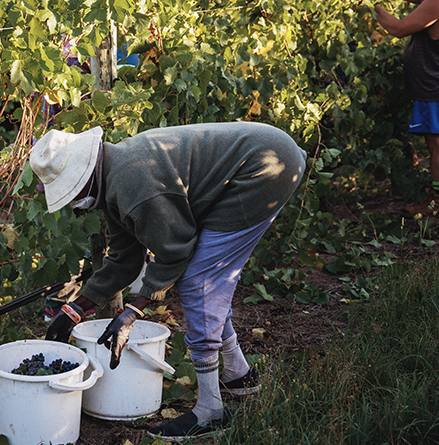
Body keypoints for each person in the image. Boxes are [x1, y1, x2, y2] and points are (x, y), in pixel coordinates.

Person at [29, 122, 307, 441]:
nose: (74, 201)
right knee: (206, 283)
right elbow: (124, 260)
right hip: (263, 156)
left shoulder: (132, 185)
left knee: (199, 282)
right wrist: (74, 309)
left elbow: (175, 251)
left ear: (83, 175)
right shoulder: (113, 176)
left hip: (263, 167)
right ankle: (238, 375)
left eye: (71, 191)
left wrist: (132, 312)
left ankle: (210, 411)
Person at [376, 0, 439, 217]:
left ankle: (436, 203)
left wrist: (373, 6)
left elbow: (398, 28)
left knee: (437, 147)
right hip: (431, 89)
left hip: (434, 90)